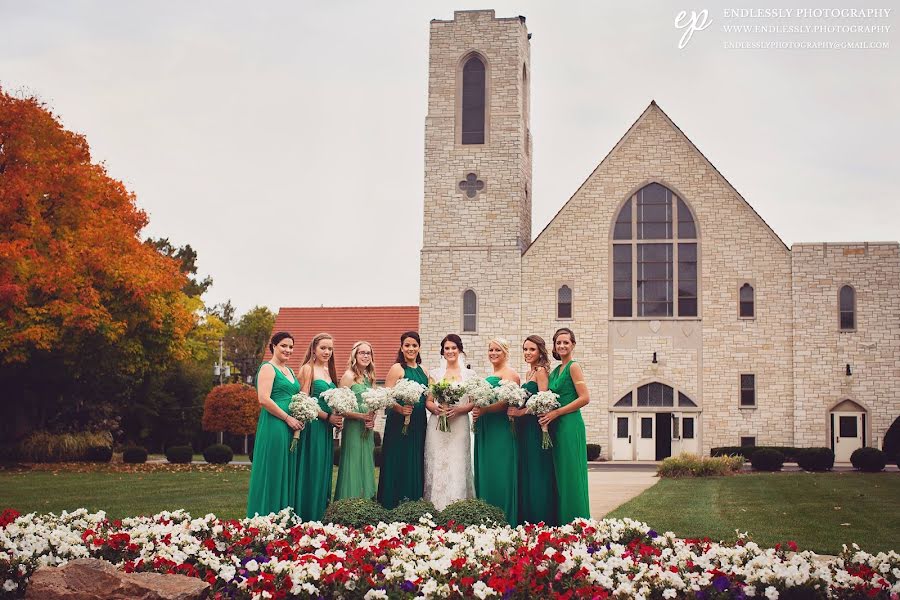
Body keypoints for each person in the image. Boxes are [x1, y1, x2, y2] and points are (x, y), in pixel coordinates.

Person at [246, 332, 303, 518]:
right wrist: (287, 418)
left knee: (286, 469)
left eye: (291, 347)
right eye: (284, 346)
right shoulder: (268, 369)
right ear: (273, 346)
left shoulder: (291, 371)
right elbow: (263, 399)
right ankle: (265, 516)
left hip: (290, 426)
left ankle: (283, 515)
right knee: (273, 468)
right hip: (275, 425)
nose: (288, 350)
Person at [506, 335, 558, 525]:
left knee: (537, 472)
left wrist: (521, 412)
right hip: (523, 430)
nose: (528, 353)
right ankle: (526, 519)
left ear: (540, 352)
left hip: (536, 429)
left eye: (532, 349)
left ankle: (541, 518)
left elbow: (544, 402)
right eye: (525, 349)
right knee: (526, 472)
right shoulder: (527, 374)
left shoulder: (541, 371)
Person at [542, 327, 591, 522]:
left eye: (566, 342)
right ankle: (562, 520)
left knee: (571, 474)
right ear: (554, 346)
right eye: (558, 342)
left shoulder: (573, 366)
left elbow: (585, 398)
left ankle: (576, 521)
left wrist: (557, 412)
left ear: (573, 345)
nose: (562, 345)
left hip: (570, 424)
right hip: (556, 426)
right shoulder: (556, 370)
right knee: (560, 474)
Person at [376, 331, 429, 510]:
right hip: (398, 424)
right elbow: (387, 397)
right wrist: (400, 409)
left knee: (416, 460)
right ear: (401, 347)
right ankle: (393, 503)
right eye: (407, 345)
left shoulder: (424, 371)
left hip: (419, 423)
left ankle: (413, 503)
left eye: (414, 345)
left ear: (419, 347)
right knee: (398, 460)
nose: (411, 348)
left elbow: (428, 398)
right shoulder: (397, 368)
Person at [423, 333, 476, 510]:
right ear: (443, 351)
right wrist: (435, 409)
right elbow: (429, 401)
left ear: (459, 350)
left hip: (460, 424)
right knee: (438, 462)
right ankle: (436, 507)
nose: (450, 351)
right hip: (438, 426)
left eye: (454, 348)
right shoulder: (435, 374)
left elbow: (473, 401)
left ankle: (458, 507)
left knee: (457, 463)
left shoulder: (470, 374)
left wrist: (459, 410)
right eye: (447, 348)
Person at [296, 333, 343, 521]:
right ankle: (307, 514)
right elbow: (303, 401)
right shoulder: (308, 369)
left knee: (324, 469)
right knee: (312, 468)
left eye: (330, 348)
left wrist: (337, 415)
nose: (327, 352)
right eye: (323, 348)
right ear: (314, 349)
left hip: (326, 428)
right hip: (313, 426)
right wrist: (327, 416)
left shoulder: (329, 372)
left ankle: (321, 514)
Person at [472, 338, 519, 526]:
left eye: (497, 350)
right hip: (486, 428)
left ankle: (504, 517)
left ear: (505, 352)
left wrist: (484, 410)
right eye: (490, 350)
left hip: (500, 430)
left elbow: (506, 402)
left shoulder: (510, 374)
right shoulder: (492, 373)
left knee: (501, 472)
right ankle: (487, 516)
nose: (493, 353)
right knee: (487, 471)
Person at [334, 341, 377, 500]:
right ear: (355, 355)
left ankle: (366, 502)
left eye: (368, 353)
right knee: (353, 464)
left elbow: (374, 404)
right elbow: (340, 408)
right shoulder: (348, 376)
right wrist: (361, 416)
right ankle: (348, 502)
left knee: (366, 465)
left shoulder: (370, 377)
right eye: (362, 353)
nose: (366, 356)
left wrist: (372, 418)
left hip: (367, 428)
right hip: (353, 427)